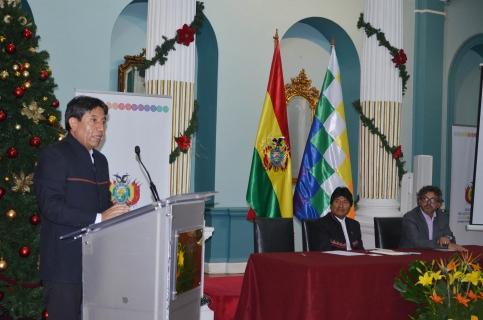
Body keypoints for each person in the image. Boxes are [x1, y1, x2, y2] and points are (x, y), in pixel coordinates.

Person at [34, 96, 129, 320]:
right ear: (73, 123)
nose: (100, 128)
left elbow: (102, 205)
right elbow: (51, 206)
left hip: (96, 262)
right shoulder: (55, 155)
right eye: (93, 120)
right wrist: (98, 217)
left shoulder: (101, 160)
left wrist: (115, 212)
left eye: (104, 121)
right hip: (64, 265)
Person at [400, 185, 466, 251]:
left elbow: (451, 237)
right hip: (411, 254)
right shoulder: (410, 217)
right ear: (419, 201)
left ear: (439, 204)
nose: (428, 203)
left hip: (434, 254)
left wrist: (447, 238)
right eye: (425, 199)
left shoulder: (442, 216)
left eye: (433, 200)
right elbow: (417, 243)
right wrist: (443, 245)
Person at [308, 187, 363, 251]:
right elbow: (324, 251)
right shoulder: (320, 225)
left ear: (350, 207)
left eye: (345, 202)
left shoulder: (355, 225)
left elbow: (360, 250)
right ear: (331, 205)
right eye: (337, 201)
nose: (341, 205)